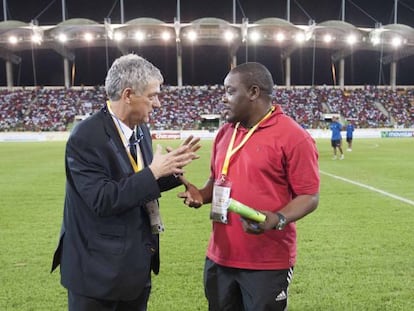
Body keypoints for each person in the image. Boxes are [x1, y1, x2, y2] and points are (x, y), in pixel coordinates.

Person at [51, 54, 200, 311]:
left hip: (134, 264)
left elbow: (136, 184)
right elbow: (102, 199)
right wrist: (154, 171)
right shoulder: (87, 136)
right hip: (97, 274)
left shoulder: (140, 129)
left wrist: (171, 171)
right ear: (128, 94)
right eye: (152, 95)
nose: (158, 103)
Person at [178, 62, 320, 311]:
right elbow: (217, 181)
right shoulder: (225, 133)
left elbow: (309, 196)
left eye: (230, 91)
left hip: (267, 262)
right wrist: (200, 194)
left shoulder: (293, 136)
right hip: (219, 258)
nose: (224, 99)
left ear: (254, 92)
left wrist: (278, 218)